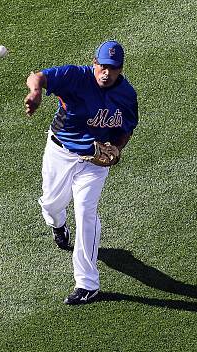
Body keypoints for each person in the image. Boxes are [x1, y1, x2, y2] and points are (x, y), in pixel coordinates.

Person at [24, 40, 138, 305]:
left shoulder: (127, 95)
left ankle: (87, 284)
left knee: (86, 212)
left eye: (113, 68)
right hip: (60, 152)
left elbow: (126, 129)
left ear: (120, 69)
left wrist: (117, 148)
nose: (107, 73)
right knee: (52, 204)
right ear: (94, 63)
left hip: (94, 164)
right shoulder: (75, 76)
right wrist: (35, 93)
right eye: (103, 66)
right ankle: (58, 225)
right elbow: (36, 76)